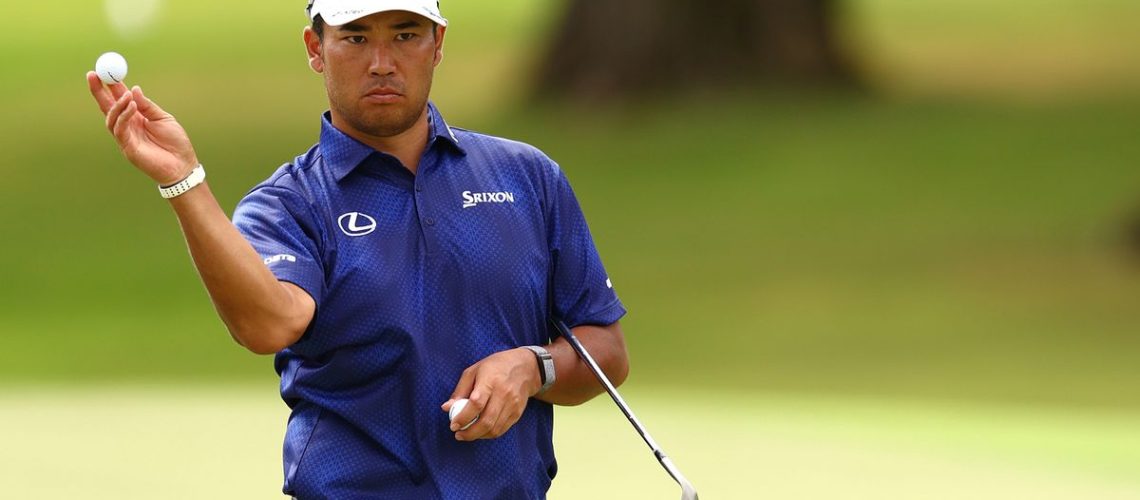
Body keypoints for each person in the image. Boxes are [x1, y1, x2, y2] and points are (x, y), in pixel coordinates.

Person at [85, 0, 630, 498]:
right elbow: (270, 325)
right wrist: (185, 181)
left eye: (405, 34)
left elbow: (605, 348)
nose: (382, 62)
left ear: (438, 43)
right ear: (314, 49)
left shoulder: (526, 177)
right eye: (356, 37)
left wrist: (534, 367)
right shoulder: (290, 204)